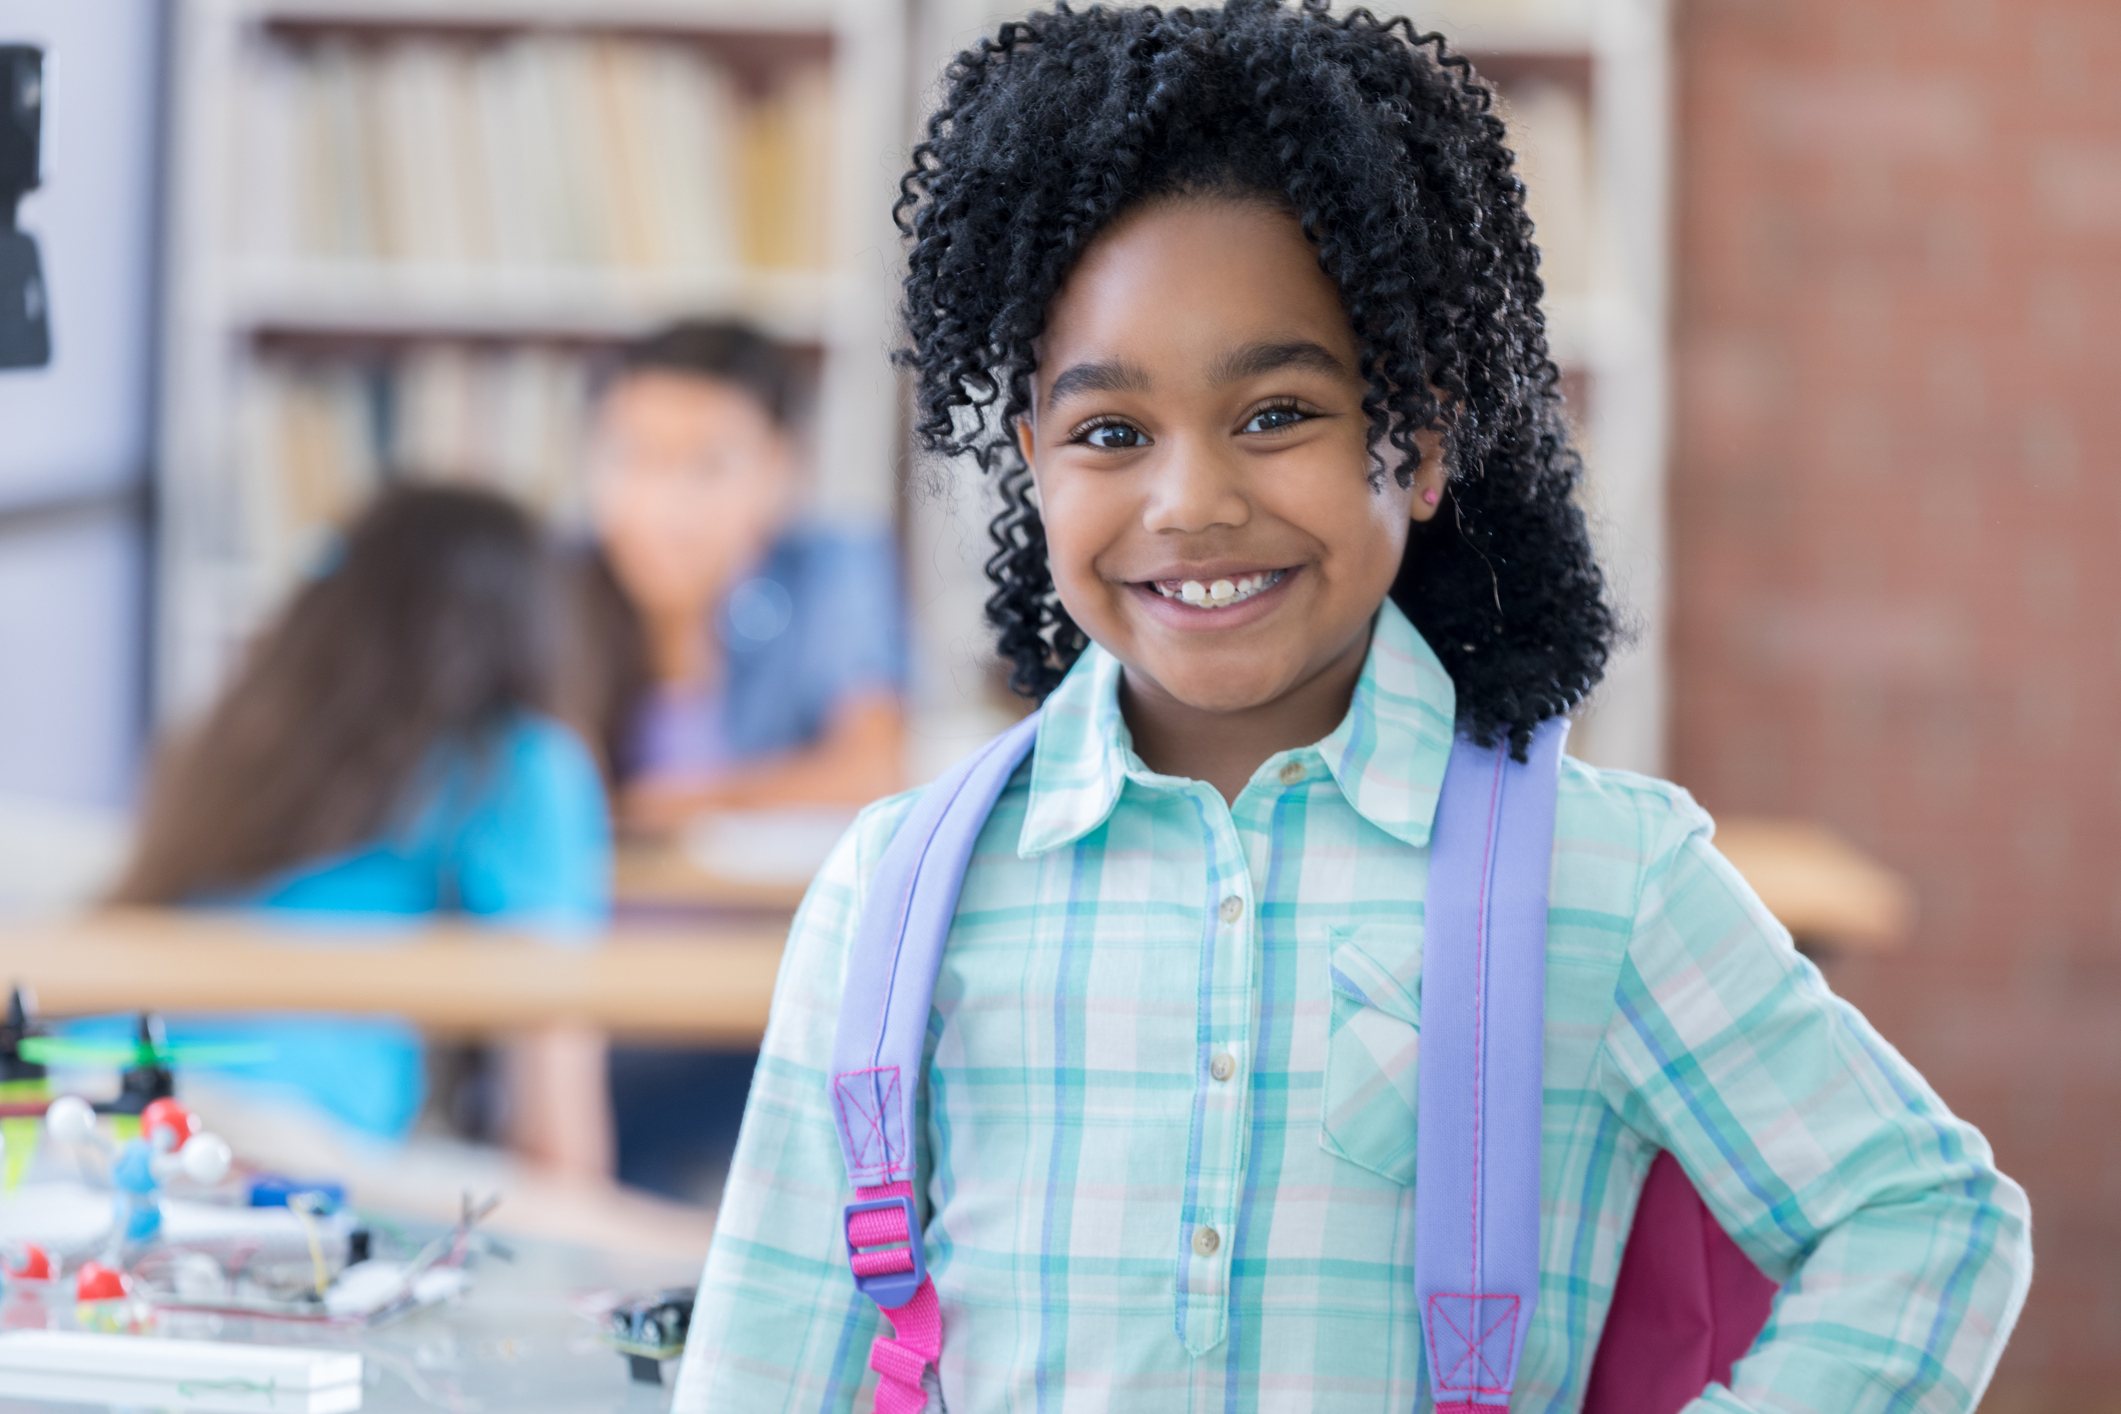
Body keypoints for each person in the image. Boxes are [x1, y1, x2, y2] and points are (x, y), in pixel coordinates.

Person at [673, 4, 2031, 1411]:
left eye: (1275, 414)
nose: (1189, 500)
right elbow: (768, 1364)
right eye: (1109, 432)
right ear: (1030, 459)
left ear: (1420, 441)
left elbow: (1928, 1222)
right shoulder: (891, 894)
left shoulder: (1605, 877)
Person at [110, 484, 610, 1144]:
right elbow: (557, 1128)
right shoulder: (522, 764)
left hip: (89, 1093)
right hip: (278, 1145)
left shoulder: (232, 738)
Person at [577, 320, 907, 830]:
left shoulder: (830, 568)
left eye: (710, 465)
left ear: (782, 468)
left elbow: (872, 773)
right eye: (634, 457)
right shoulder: (559, 572)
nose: (666, 504)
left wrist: (652, 810)